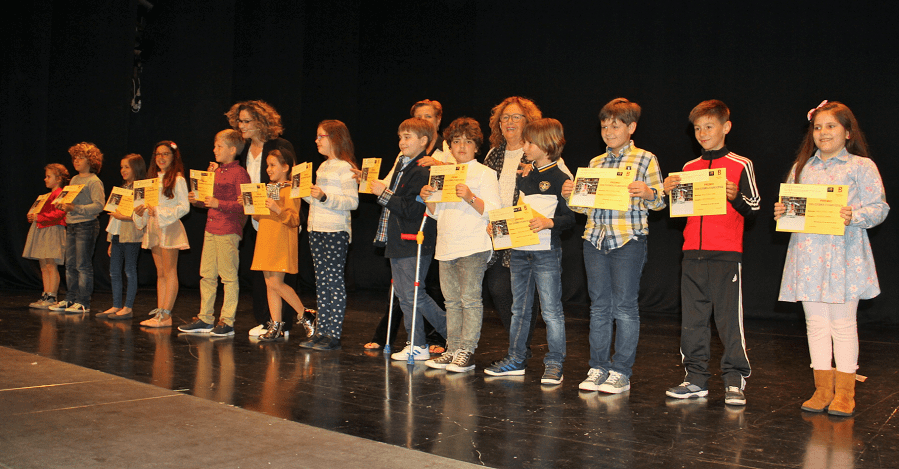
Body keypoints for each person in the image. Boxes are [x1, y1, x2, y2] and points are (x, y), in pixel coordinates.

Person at [774, 101, 888, 417]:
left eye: (831, 126)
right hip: (808, 255)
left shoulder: (861, 167)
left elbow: (880, 208)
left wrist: (855, 214)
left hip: (844, 256)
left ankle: (845, 393)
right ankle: (823, 388)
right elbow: (794, 211)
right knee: (816, 324)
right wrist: (783, 212)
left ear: (847, 132)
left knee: (842, 324)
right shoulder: (802, 168)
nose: (823, 132)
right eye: (818, 127)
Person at [561, 98, 666, 394]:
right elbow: (584, 208)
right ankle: (597, 367)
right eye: (604, 125)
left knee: (625, 307)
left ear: (631, 127)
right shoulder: (595, 163)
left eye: (615, 125)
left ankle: (620, 371)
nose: (608, 131)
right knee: (599, 307)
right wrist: (572, 194)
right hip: (595, 239)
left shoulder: (645, 159)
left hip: (627, 239)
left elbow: (659, 202)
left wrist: (648, 191)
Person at [662, 100, 759, 405]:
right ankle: (695, 379)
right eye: (697, 128)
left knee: (729, 321)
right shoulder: (688, 169)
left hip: (726, 254)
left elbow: (754, 208)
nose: (702, 133)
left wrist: (736, 196)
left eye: (709, 126)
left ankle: (734, 379)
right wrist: (669, 193)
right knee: (692, 320)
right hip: (692, 254)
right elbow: (680, 213)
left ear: (726, 127)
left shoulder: (741, 164)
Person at [484, 118, 575, 385]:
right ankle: (516, 358)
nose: (523, 146)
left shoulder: (561, 178)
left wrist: (549, 222)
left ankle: (555, 361)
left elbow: (571, 218)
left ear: (547, 145)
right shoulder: (525, 174)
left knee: (551, 310)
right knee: (519, 308)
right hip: (521, 251)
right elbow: (518, 213)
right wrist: (499, 228)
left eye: (528, 142)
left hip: (546, 252)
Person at [364, 99, 451, 353]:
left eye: (408, 137)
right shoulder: (403, 165)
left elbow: (412, 209)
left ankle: (449, 333)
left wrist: (385, 195)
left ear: (424, 141)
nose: (402, 142)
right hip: (398, 239)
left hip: (412, 238)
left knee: (414, 294)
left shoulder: (422, 169)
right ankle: (418, 343)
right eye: (400, 137)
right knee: (406, 296)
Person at [419, 117, 500, 372]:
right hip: (446, 244)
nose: (462, 146)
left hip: (473, 245)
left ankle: (466, 350)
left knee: (469, 300)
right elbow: (435, 213)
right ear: (449, 147)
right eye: (456, 142)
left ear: (477, 147)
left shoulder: (485, 173)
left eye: (468, 142)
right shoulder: (441, 172)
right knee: (451, 301)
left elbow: (494, 211)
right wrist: (428, 199)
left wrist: (470, 196)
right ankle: (452, 348)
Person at [226, 100, 307, 337]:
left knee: (278, 276)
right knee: (263, 276)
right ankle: (270, 321)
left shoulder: (279, 146)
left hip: (279, 219)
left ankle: (291, 320)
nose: (241, 125)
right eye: (239, 121)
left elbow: (291, 182)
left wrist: (279, 207)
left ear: (261, 122)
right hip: (257, 216)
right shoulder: (243, 149)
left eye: (246, 121)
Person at [179, 130, 251, 336]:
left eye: (219, 146)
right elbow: (208, 200)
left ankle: (227, 320)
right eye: (215, 146)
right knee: (207, 275)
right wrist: (198, 200)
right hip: (211, 228)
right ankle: (205, 318)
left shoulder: (240, 173)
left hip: (228, 229)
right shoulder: (215, 172)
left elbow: (246, 204)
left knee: (228, 277)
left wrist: (218, 203)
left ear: (232, 150)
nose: (215, 150)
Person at [298, 120, 359, 350]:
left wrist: (324, 197)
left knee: (334, 282)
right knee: (321, 282)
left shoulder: (345, 167)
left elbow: (352, 202)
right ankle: (321, 331)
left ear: (333, 138)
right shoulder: (323, 167)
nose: (316, 140)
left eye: (320, 136)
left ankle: (333, 334)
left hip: (335, 231)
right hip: (317, 228)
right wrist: (303, 192)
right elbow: (317, 201)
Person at [245, 149, 312, 342]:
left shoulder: (291, 189)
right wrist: (250, 205)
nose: (268, 169)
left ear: (286, 167)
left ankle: (305, 314)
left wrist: (277, 208)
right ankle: (276, 325)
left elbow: (294, 219)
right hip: (266, 238)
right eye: (267, 165)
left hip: (280, 239)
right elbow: (260, 215)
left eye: (273, 165)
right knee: (269, 283)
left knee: (276, 282)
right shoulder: (270, 188)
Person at [133, 141, 190, 327]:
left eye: (166, 154)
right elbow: (140, 206)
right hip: (154, 227)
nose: (161, 158)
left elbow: (184, 207)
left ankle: (166, 314)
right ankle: (160, 312)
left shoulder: (178, 180)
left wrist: (158, 211)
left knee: (170, 270)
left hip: (169, 226)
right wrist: (140, 212)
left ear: (173, 157)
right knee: (160, 273)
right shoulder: (150, 181)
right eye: (158, 154)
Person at [50, 143, 105, 314]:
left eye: (81, 158)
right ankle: (70, 298)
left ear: (91, 161)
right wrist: (63, 205)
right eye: (75, 158)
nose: (76, 161)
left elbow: (99, 206)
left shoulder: (94, 181)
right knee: (70, 265)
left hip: (86, 225)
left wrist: (75, 208)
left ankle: (83, 302)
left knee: (82, 265)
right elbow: (69, 199)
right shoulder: (74, 179)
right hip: (72, 224)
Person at [98, 154, 148, 320]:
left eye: (127, 167)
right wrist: (110, 239)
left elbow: (142, 215)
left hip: (132, 235)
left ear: (136, 168)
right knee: (114, 271)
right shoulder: (121, 189)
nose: (123, 170)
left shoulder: (140, 189)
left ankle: (128, 307)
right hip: (117, 235)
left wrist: (124, 217)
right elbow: (113, 216)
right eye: (122, 167)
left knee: (129, 270)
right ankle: (116, 305)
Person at [23, 163, 69, 308]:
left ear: (59, 179)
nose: (45, 179)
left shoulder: (61, 194)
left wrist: (40, 217)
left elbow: (61, 213)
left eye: (49, 176)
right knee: (44, 265)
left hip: (53, 230)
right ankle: (46, 294)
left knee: (50, 264)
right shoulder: (46, 196)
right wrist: (34, 216)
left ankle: (51, 296)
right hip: (43, 229)